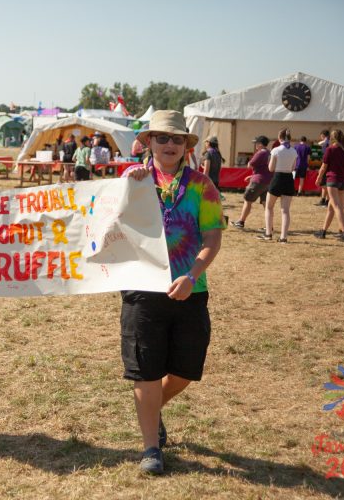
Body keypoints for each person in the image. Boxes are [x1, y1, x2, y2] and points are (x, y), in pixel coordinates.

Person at [121, 110, 225, 475]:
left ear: (185, 147)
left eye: (177, 139)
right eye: (162, 138)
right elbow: (104, 225)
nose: (169, 145)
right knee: (146, 370)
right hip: (142, 290)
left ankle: (150, 409)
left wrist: (192, 274)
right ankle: (151, 447)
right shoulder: (131, 181)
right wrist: (127, 187)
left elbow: (212, 236)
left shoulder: (202, 186)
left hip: (190, 289)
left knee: (185, 370)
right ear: (148, 142)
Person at [314, 129, 344, 242]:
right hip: (343, 182)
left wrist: (318, 178)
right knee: (332, 208)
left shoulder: (330, 149)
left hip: (332, 180)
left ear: (332, 138)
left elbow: (323, 167)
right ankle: (323, 231)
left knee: (337, 207)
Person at [259, 129, 297, 242]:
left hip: (277, 178)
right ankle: (283, 237)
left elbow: (270, 168)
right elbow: (293, 168)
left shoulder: (275, 150)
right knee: (285, 210)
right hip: (289, 179)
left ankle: (268, 234)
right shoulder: (294, 151)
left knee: (269, 207)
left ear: (279, 137)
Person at [230, 136, 272, 229]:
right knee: (266, 204)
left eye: (256, 143)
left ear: (260, 144)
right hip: (267, 181)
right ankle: (269, 226)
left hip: (258, 181)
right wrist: (253, 176)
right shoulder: (269, 152)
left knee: (247, 200)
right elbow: (265, 169)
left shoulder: (260, 153)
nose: (255, 145)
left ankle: (241, 221)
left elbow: (250, 164)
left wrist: (253, 173)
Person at [316, 130, 331, 206]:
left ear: (323, 135)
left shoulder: (327, 142)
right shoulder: (329, 142)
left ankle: (328, 200)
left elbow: (319, 144)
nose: (320, 137)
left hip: (326, 164)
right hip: (326, 164)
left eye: (321, 136)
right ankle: (323, 200)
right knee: (324, 183)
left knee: (323, 183)